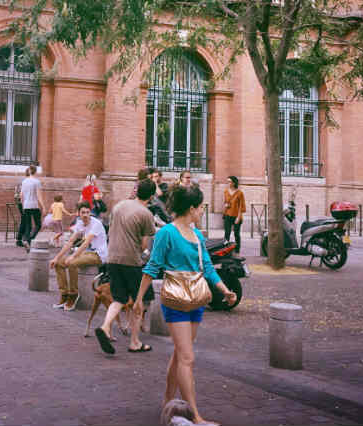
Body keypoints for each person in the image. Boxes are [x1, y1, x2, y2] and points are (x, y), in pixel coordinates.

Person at [134, 184, 237, 425]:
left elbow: (208, 268)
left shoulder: (197, 235)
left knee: (180, 355)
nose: (201, 212)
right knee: (188, 358)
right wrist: (139, 299)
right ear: (191, 208)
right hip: (176, 300)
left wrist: (225, 291)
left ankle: (167, 402)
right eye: (200, 208)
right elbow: (152, 266)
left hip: (196, 299)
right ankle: (195, 416)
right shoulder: (166, 233)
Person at [94, 178, 158, 355]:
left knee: (119, 299)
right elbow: (144, 245)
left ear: (136, 190)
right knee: (139, 302)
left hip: (112, 257)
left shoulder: (119, 206)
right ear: (151, 196)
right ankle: (135, 342)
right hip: (131, 261)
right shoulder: (146, 214)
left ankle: (106, 326)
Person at [50, 202, 108, 311]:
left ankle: (73, 294)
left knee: (71, 263)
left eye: (87, 212)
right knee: (59, 264)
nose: (85, 215)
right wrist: (56, 257)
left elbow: (86, 243)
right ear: (78, 214)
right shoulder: (80, 224)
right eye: (83, 212)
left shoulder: (96, 224)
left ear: (90, 213)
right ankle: (64, 295)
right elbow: (70, 242)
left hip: (98, 255)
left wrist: (73, 257)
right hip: (85, 253)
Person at [19, 165, 45, 250]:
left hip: (26, 206)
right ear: (36, 172)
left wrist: (23, 206)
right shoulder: (36, 182)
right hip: (34, 205)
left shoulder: (24, 181)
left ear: (29, 171)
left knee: (28, 226)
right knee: (38, 224)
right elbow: (39, 196)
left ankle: (27, 241)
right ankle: (29, 239)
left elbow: (21, 196)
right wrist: (43, 207)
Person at [223, 176, 246, 253]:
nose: (228, 183)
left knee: (236, 234)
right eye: (227, 181)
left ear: (234, 183)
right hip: (227, 215)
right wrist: (225, 205)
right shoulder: (226, 191)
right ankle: (225, 250)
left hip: (236, 216)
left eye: (229, 182)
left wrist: (238, 217)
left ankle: (237, 250)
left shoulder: (240, 193)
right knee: (227, 233)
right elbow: (225, 202)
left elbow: (241, 206)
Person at [14, 168, 29, 247]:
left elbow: (16, 196)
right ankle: (21, 239)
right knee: (25, 220)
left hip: (22, 203)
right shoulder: (25, 183)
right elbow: (19, 195)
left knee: (25, 220)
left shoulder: (21, 182)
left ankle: (21, 239)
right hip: (25, 204)